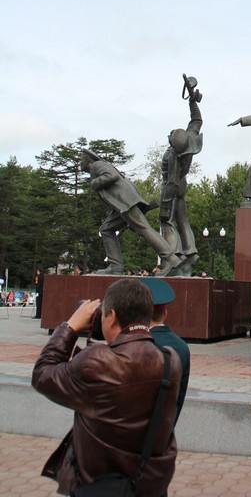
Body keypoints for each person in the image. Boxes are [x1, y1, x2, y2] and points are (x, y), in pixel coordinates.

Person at [32, 278, 182, 497]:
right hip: (150, 485)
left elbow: (42, 374)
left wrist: (70, 327)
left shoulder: (97, 362)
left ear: (111, 316)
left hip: (102, 486)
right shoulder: (170, 360)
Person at [80, 149, 181, 277]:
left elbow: (112, 176)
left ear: (87, 160)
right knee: (106, 229)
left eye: (81, 159)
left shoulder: (97, 165)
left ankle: (172, 260)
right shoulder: (96, 169)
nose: (80, 163)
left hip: (126, 203)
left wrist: (95, 183)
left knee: (145, 229)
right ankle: (115, 266)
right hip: (122, 206)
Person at [160, 75, 203, 277]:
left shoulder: (172, 156)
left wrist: (165, 205)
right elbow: (197, 120)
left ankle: (174, 257)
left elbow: (171, 183)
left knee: (167, 222)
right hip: (182, 185)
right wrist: (193, 102)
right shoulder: (189, 138)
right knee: (183, 220)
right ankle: (190, 251)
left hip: (173, 187)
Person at [140, 277, 190, 421]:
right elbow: (179, 397)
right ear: (165, 314)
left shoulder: (133, 342)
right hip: (166, 427)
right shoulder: (182, 347)